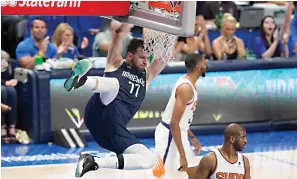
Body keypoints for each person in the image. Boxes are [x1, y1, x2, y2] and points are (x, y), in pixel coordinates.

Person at [64, 23, 171, 177]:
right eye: (141, 57)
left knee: (148, 159)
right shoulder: (116, 62)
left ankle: (94, 162)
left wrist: (172, 32)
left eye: (147, 58)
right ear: (129, 55)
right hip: (97, 113)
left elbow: (164, 57)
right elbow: (119, 33)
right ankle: (80, 81)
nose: (145, 61)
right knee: (114, 84)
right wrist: (129, 19)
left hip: (112, 131)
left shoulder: (147, 76)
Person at [153, 54, 206, 179]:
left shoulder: (190, 84)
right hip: (169, 135)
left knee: (196, 175)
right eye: (204, 63)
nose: (206, 65)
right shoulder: (186, 88)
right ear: (198, 67)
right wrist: (182, 155)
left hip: (178, 133)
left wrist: (192, 137)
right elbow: (174, 122)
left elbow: (181, 121)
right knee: (162, 176)